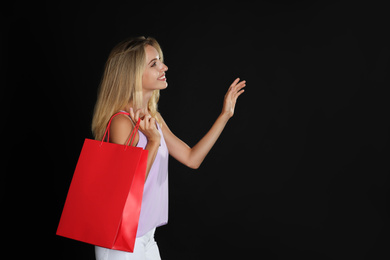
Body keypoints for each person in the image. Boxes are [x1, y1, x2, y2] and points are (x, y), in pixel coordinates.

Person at [91, 36, 245, 260]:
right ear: (133, 73)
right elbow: (126, 190)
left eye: (160, 61)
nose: (164, 67)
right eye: (154, 64)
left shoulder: (154, 119)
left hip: (146, 236)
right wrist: (152, 142)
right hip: (120, 240)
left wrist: (225, 115)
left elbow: (192, 158)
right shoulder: (121, 122)